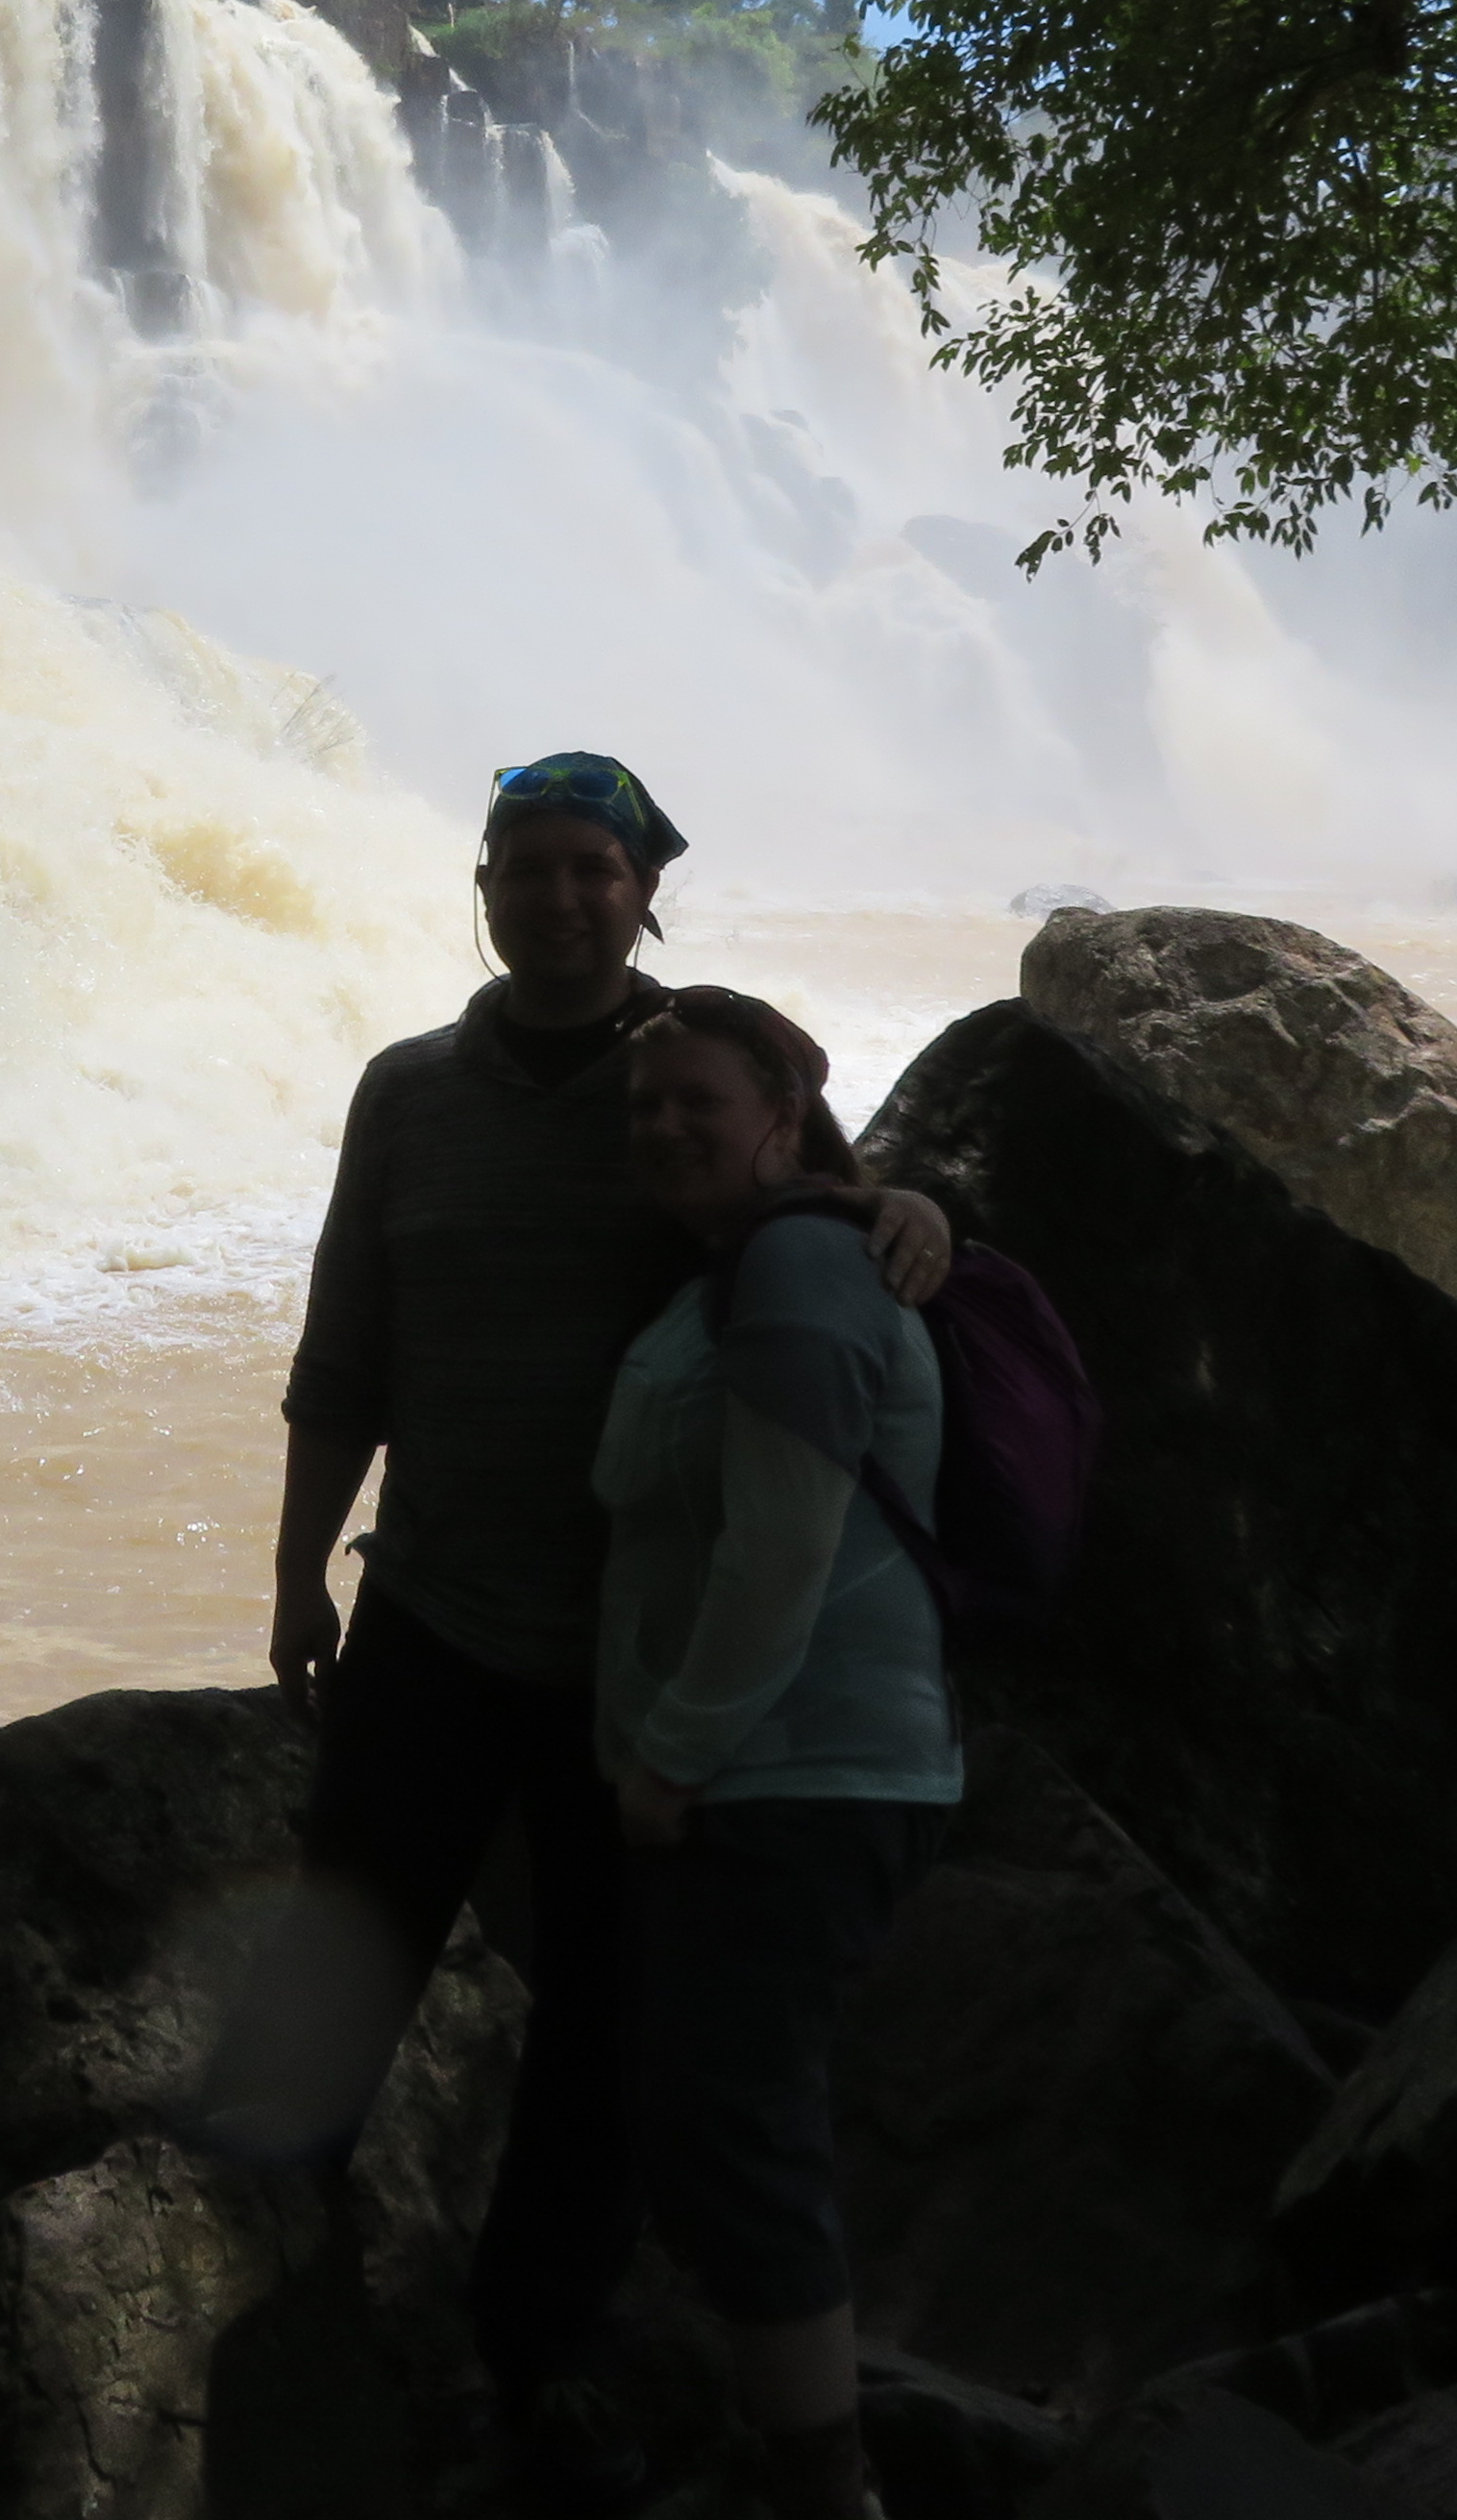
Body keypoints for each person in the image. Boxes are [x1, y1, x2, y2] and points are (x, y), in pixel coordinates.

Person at [218, 754, 944, 2520]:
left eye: (590, 869)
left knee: (603, 2031)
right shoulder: (407, 1092)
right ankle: (262, 2303)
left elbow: (809, 1212)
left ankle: (540, 2350)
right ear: (481, 888)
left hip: (626, 1657)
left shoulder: (683, 1082)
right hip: (430, 1610)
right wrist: (299, 1573)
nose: (556, 897)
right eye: (524, 867)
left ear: (643, 892)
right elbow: (345, 1346)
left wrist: (911, 1208)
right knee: (343, 1955)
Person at [595, 988, 957, 2520]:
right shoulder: (751, 1261)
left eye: (703, 1100)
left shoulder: (800, 1266)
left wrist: (670, 1758)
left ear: (785, 1115)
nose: (668, 1126)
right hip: (784, 1768)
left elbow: (781, 1548)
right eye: (646, 1106)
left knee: (739, 2129)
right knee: (721, 2122)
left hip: (796, 1772)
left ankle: (826, 2490)